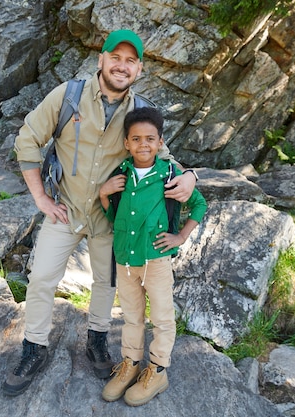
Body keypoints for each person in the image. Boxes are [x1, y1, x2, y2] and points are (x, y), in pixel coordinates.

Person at [3, 29, 198, 397]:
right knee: (42, 277)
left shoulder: (139, 113)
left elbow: (163, 157)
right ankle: (33, 348)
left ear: (138, 69)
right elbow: (27, 140)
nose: (121, 66)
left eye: (130, 61)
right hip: (66, 209)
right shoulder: (68, 96)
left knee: (106, 284)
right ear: (101, 60)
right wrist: (41, 199)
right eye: (115, 57)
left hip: (111, 217)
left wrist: (190, 175)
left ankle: (96, 341)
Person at [99, 107, 207, 406]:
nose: (143, 145)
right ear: (126, 143)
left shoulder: (171, 176)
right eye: (136, 139)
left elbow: (199, 205)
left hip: (156, 262)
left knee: (161, 318)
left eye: (150, 139)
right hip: (125, 259)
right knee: (132, 317)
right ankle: (131, 365)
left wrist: (180, 237)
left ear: (160, 142)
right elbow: (114, 216)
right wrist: (104, 194)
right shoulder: (121, 174)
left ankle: (157, 371)